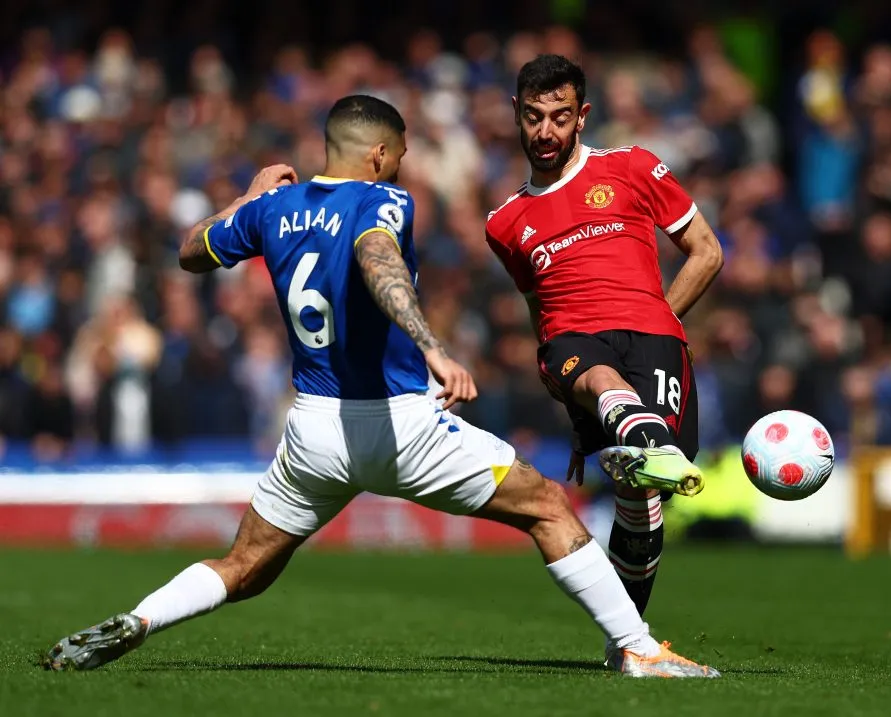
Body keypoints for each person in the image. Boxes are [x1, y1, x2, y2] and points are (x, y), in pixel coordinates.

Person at [43, 95, 719, 679]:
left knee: (244, 564)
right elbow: (376, 257)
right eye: (398, 154)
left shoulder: (272, 210)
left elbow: (192, 251)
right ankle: (637, 648)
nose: (401, 166)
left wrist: (248, 197)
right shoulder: (384, 199)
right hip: (400, 425)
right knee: (547, 507)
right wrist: (434, 348)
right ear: (377, 154)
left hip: (312, 430)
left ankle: (138, 618)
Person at [484, 56, 725, 655]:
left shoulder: (634, 167)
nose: (546, 132)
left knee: (641, 502)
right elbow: (541, 307)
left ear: (582, 117)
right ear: (516, 114)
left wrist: (662, 318)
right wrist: (564, 386)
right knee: (594, 376)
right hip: (573, 343)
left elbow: (706, 252)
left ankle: (629, 643)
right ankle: (636, 427)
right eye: (534, 117)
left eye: (560, 117)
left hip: (653, 335)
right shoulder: (504, 222)